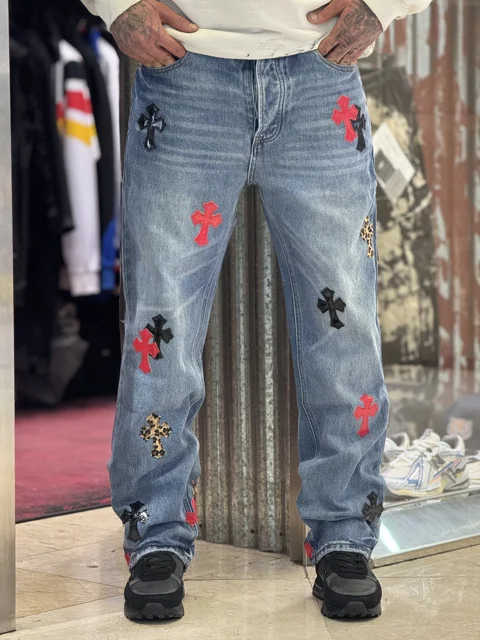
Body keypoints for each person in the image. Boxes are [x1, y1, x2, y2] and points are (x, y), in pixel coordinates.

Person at [81, 0, 432, 621]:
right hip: (183, 73)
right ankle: (155, 532)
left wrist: (382, 4)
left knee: (345, 325)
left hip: (320, 72)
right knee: (161, 322)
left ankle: (344, 534)